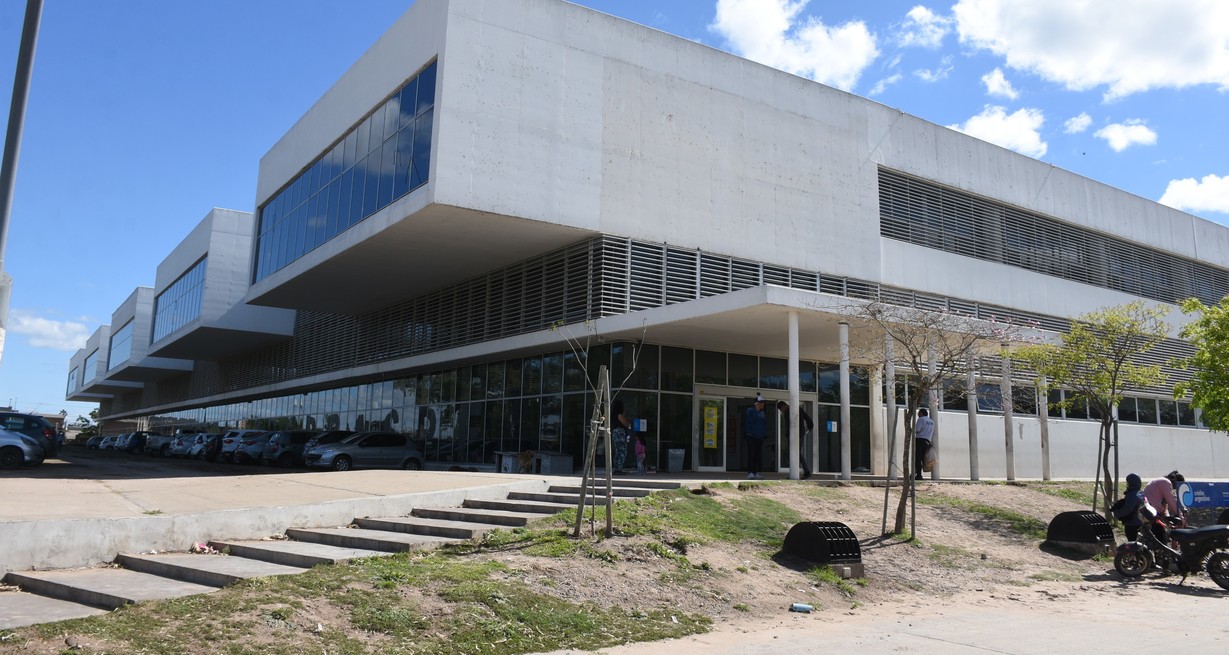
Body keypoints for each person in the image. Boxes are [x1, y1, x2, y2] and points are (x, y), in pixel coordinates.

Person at [1143, 470, 1186, 541]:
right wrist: (1181, 518)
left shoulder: (1161, 482)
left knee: (1158, 533)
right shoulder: (1166, 482)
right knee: (1159, 536)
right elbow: (1172, 502)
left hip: (1150, 509)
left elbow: (1165, 506)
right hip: (1152, 510)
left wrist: (1167, 518)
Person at [776, 401, 813, 480]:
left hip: (795, 435)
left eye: (781, 410)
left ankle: (804, 472)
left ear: (783, 407)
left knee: (795, 453)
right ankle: (798, 472)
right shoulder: (797, 408)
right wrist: (810, 426)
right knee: (796, 453)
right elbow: (807, 417)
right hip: (800, 433)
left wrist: (787, 434)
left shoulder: (787, 412)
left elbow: (788, 425)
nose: (782, 411)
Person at [1112, 473, 1145, 541]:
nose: (1127, 485)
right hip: (1141, 523)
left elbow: (1127, 510)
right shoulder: (1141, 493)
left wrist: (1117, 513)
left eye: (1128, 483)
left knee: (1133, 544)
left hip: (1132, 525)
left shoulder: (1132, 495)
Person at [744, 394, 768, 480]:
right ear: (756, 403)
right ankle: (750, 473)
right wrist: (756, 411)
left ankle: (755, 472)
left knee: (757, 455)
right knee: (751, 454)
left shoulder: (762, 412)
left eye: (763, 402)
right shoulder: (750, 410)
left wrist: (764, 434)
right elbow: (751, 420)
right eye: (760, 402)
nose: (762, 404)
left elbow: (763, 424)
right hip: (751, 436)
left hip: (760, 437)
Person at [611, 399, 631, 475]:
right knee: (622, 451)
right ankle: (618, 469)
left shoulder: (613, 415)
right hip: (620, 434)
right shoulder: (619, 415)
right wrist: (627, 421)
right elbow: (626, 424)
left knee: (618, 451)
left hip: (615, 434)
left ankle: (617, 468)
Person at [913, 408, 934, 480]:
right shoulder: (931, 421)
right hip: (927, 440)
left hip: (919, 439)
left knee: (917, 457)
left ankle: (918, 474)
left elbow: (917, 429)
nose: (918, 414)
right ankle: (917, 473)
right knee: (923, 457)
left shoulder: (921, 419)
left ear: (921, 413)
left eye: (919, 412)